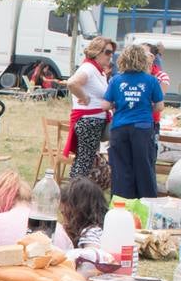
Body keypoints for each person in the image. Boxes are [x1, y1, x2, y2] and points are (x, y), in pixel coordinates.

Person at [100, 44, 163, 200]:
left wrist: (117, 105)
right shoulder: (151, 80)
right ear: (143, 60)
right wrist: (145, 108)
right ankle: (146, 201)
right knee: (144, 166)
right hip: (142, 126)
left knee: (121, 167)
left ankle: (121, 202)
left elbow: (105, 105)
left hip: (120, 127)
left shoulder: (116, 80)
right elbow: (159, 106)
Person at [63, 37, 114, 181]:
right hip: (89, 121)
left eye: (112, 52)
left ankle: (78, 191)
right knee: (85, 160)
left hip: (94, 121)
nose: (111, 56)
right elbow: (72, 83)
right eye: (108, 52)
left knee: (86, 159)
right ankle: (76, 192)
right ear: (97, 52)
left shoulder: (98, 71)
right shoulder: (89, 68)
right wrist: (84, 97)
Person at [59, 177, 107, 248]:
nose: (64, 222)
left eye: (65, 215)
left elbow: (92, 253)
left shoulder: (91, 233)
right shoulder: (101, 228)